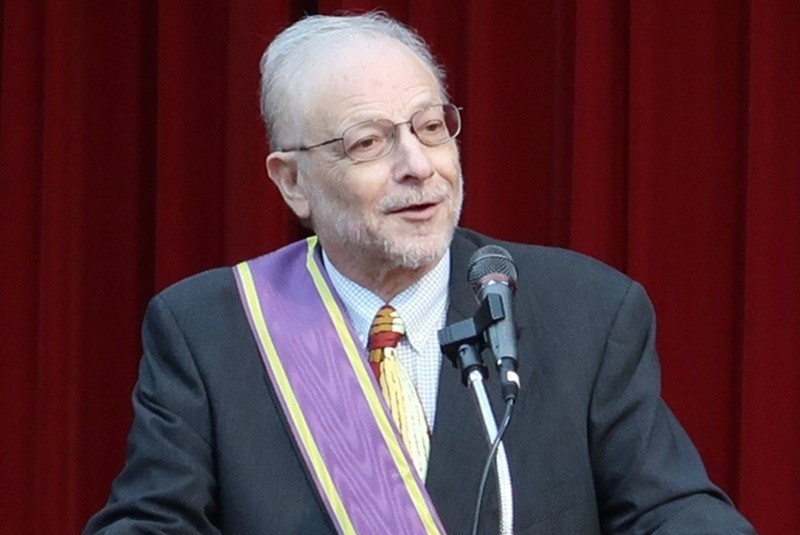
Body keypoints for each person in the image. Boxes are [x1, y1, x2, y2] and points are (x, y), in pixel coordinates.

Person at [84, 12, 756, 534]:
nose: (418, 165)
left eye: (431, 127)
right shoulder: (210, 329)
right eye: (369, 142)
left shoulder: (587, 310)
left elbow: (669, 511)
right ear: (293, 182)